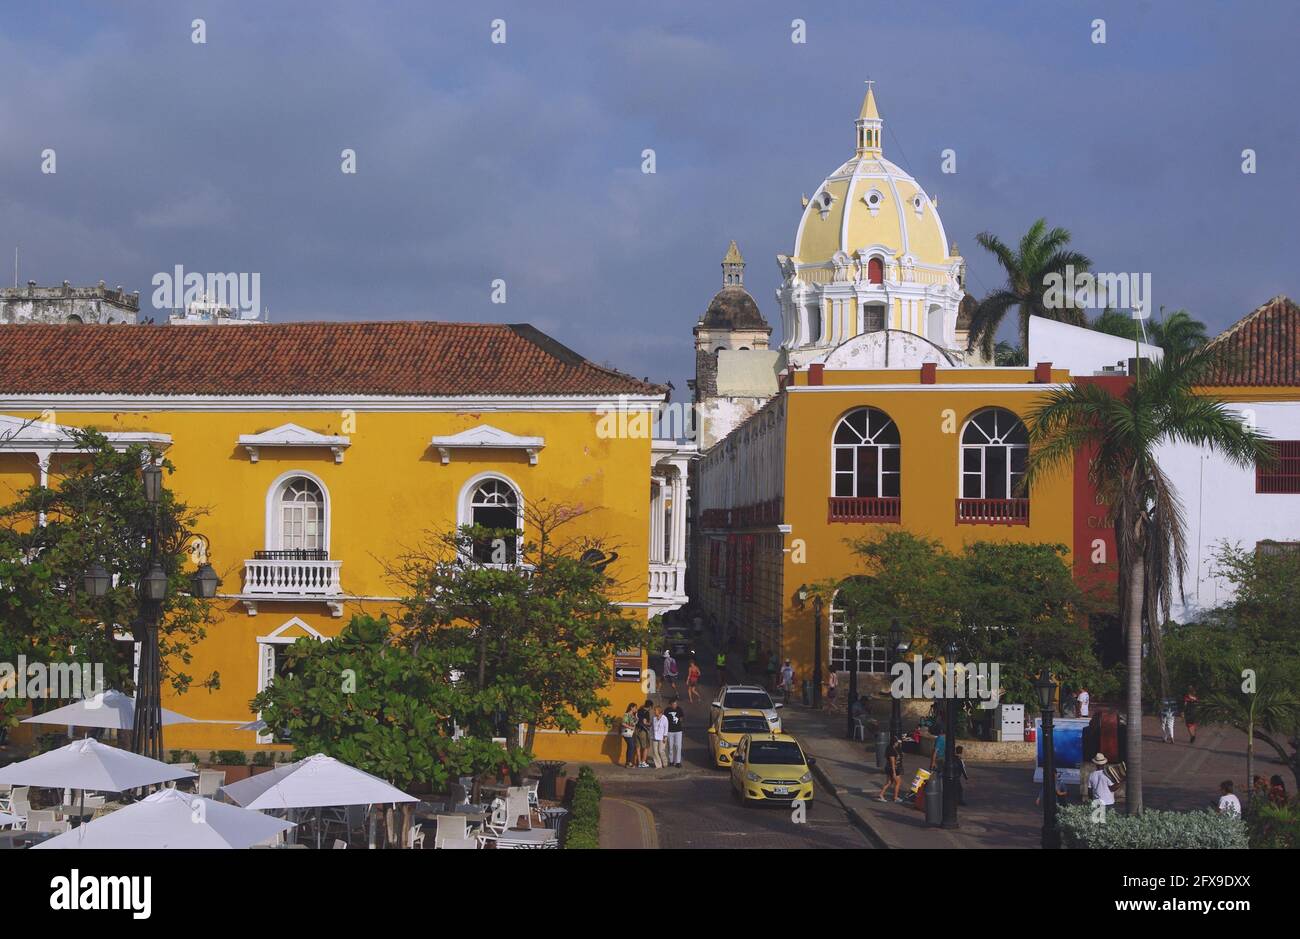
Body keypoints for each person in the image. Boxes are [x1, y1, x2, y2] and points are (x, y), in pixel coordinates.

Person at [877, 735, 906, 803]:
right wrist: (894, 773)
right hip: (893, 769)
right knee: (898, 782)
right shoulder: (891, 750)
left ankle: (881, 795)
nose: (898, 744)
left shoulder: (895, 748)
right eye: (897, 742)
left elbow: (901, 753)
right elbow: (892, 762)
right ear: (894, 743)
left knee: (889, 782)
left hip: (893, 768)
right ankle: (895, 797)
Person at [664, 697, 685, 767]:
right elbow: (664, 720)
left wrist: (679, 720)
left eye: (676, 703)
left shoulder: (679, 709)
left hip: (678, 731)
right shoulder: (667, 710)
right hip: (669, 731)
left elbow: (682, 717)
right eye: (674, 703)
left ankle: (678, 762)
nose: (675, 705)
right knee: (670, 747)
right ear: (671, 704)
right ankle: (671, 761)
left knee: (678, 746)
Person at [634, 699, 653, 768]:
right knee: (646, 747)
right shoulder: (646, 712)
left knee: (638, 747)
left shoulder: (639, 710)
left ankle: (639, 762)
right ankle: (643, 762)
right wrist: (650, 724)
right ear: (650, 706)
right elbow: (645, 722)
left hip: (636, 730)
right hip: (643, 731)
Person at [620, 702, 638, 768]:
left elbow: (635, 723)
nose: (636, 709)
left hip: (631, 733)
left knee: (630, 747)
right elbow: (623, 723)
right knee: (631, 746)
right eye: (635, 708)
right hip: (626, 733)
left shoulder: (633, 716)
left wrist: (635, 716)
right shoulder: (626, 715)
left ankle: (628, 762)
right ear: (631, 708)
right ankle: (628, 763)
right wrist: (630, 727)